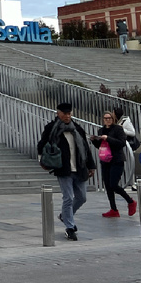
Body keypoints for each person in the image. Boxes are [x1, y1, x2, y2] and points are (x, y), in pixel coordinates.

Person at [37, 102, 95, 241]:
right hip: (63, 169)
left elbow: (86, 148)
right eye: (65, 114)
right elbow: (41, 145)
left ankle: (65, 216)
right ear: (58, 113)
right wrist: (43, 160)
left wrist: (91, 165)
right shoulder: (52, 128)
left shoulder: (77, 129)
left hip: (79, 167)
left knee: (82, 197)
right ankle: (70, 227)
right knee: (68, 197)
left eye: (69, 114)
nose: (67, 116)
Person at [90, 112, 135, 217]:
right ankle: (113, 209)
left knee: (113, 184)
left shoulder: (118, 129)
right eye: (105, 118)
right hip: (105, 160)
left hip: (116, 160)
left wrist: (108, 138)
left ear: (113, 118)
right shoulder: (101, 130)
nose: (107, 120)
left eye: (109, 118)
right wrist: (95, 140)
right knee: (108, 186)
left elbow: (121, 143)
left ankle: (130, 201)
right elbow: (101, 145)